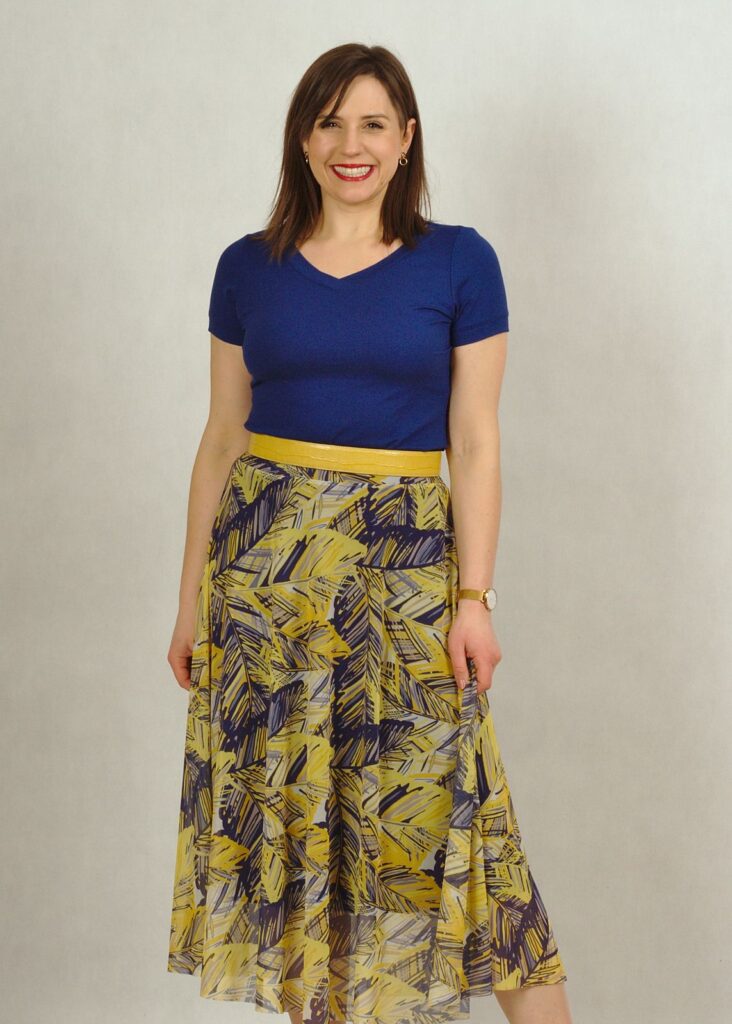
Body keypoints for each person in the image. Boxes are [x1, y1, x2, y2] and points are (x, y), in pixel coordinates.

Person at [166, 43, 573, 1024]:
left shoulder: (460, 261)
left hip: (406, 572)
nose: (352, 145)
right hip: (266, 580)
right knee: (311, 843)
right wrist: (189, 605)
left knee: (456, 827)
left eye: (374, 124)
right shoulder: (246, 268)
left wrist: (474, 599)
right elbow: (221, 439)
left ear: (406, 139)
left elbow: (475, 442)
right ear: (304, 140)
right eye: (331, 123)